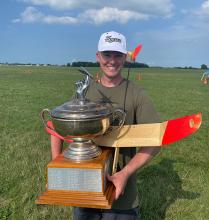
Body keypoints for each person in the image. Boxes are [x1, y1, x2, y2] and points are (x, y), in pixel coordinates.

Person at [50, 31, 161, 220]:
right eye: (107, 54)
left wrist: (124, 174)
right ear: (98, 56)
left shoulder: (137, 95)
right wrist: (58, 164)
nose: (112, 60)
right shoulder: (85, 93)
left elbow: (155, 141)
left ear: (125, 57)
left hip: (122, 198)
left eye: (118, 55)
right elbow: (56, 126)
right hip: (84, 190)